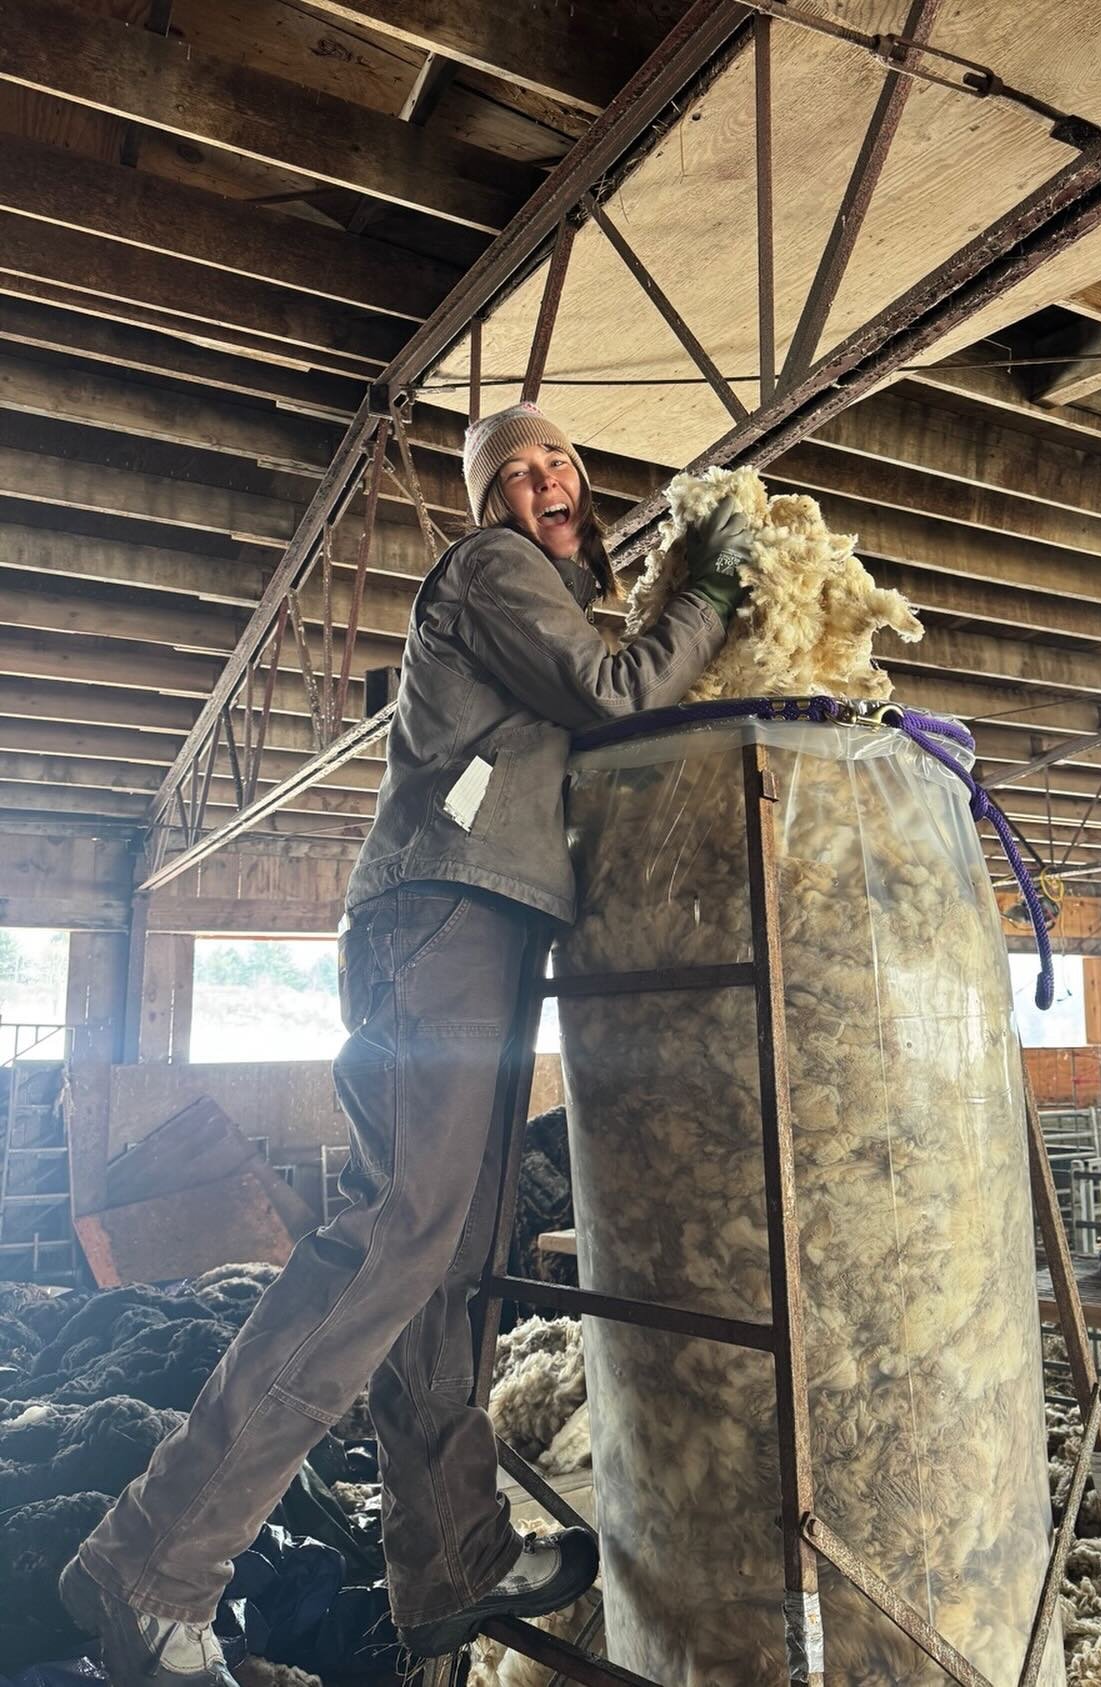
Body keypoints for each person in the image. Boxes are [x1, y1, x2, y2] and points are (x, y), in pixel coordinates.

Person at [60, 403, 755, 1686]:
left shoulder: (549, 593)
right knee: (400, 1234)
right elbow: (619, 691)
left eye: (563, 463)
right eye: (519, 469)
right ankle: (152, 1562)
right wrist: (708, 589)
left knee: (453, 1257)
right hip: (440, 920)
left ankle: (452, 1559)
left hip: (479, 929)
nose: (550, 479)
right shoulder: (495, 571)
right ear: (491, 499)